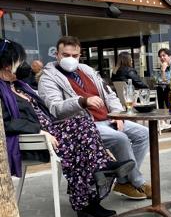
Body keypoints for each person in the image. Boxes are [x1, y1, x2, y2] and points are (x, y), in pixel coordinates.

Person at [0, 39, 135, 217]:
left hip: (50, 129)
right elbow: (5, 123)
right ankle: (91, 196)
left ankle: (94, 185)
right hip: (36, 138)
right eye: (19, 62)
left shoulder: (18, 86)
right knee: (81, 146)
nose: (24, 66)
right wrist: (38, 131)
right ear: (6, 65)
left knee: (82, 127)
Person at [38, 36, 151, 200]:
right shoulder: (48, 78)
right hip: (84, 125)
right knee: (121, 139)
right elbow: (56, 109)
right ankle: (137, 182)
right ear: (57, 54)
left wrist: (118, 115)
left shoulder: (87, 70)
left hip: (109, 119)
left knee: (143, 133)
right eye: (65, 55)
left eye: (74, 56)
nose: (70, 59)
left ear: (80, 55)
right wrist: (81, 101)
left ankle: (123, 182)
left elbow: (109, 94)